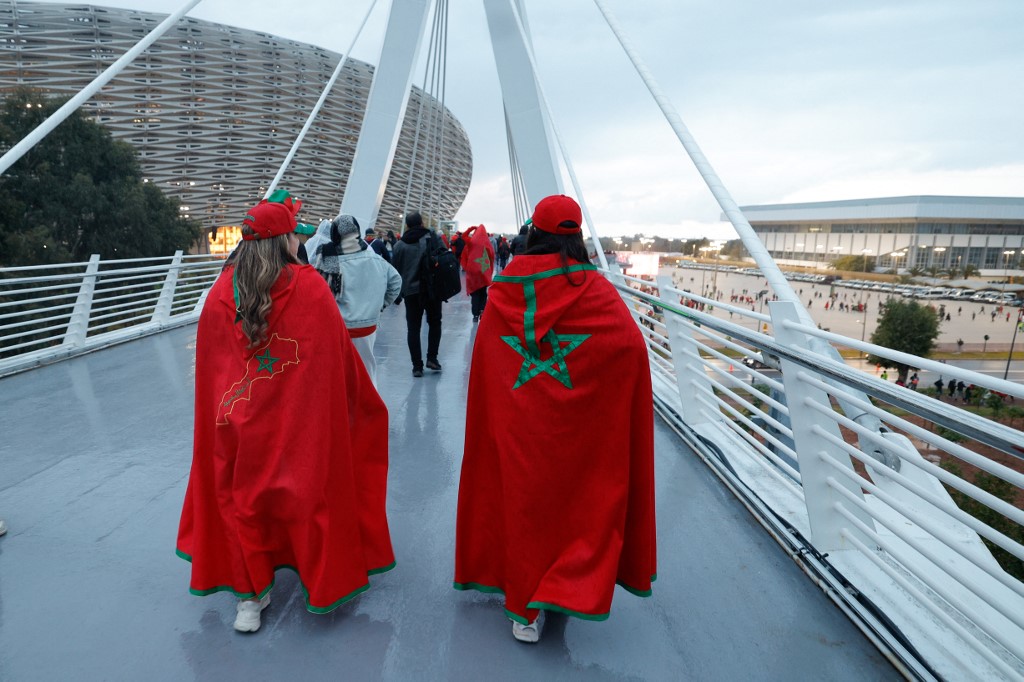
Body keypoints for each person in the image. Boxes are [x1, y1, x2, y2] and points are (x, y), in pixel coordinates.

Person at [177, 199, 395, 633]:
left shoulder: (220, 293)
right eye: (296, 233)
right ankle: (318, 580)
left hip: (238, 426)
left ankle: (250, 597)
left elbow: (213, 373)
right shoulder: (310, 288)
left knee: (243, 504)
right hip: (298, 427)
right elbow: (336, 364)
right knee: (307, 498)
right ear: (285, 240)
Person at [454, 194, 656, 644]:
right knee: (572, 506)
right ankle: (564, 588)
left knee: (522, 504)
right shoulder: (596, 288)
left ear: (535, 234)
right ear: (577, 236)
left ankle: (524, 607)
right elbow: (629, 349)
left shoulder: (506, 288)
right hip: (575, 429)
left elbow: (488, 358)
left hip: (517, 425)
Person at [310, 215, 402, 386]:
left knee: (339, 373)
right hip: (368, 327)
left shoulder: (327, 257)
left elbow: (318, 290)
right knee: (367, 370)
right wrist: (380, 305)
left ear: (335, 233)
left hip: (338, 326)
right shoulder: (374, 258)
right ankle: (370, 399)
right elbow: (396, 282)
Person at [391, 210, 443, 377]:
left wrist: (397, 294)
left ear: (407, 225)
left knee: (413, 329)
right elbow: (444, 258)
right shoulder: (432, 237)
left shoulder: (399, 245)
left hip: (411, 292)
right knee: (435, 323)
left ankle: (417, 367)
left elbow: (395, 271)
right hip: (431, 289)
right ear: (421, 222)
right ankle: (432, 358)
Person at [460, 224, 495, 323]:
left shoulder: (471, 241)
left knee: (475, 293)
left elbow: (463, 236)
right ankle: (482, 310)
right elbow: (492, 256)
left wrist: (472, 228)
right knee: (483, 292)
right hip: (484, 271)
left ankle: (475, 314)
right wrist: (490, 270)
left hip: (473, 271)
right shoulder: (488, 243)